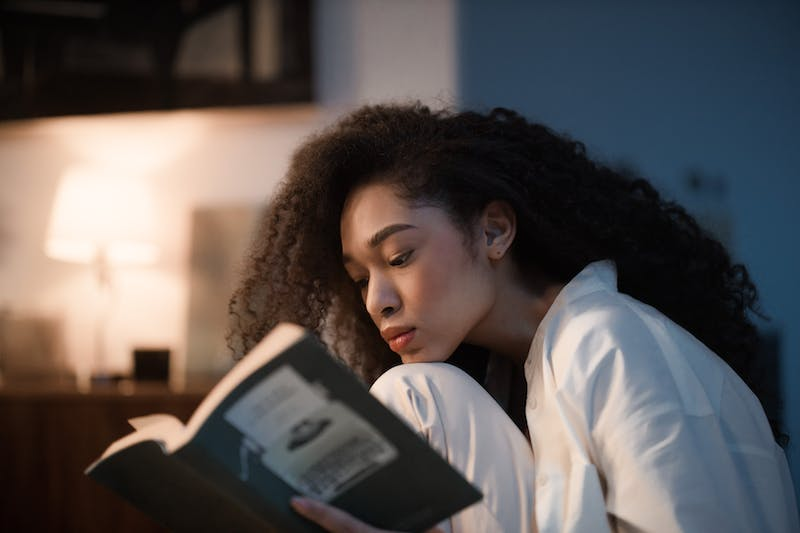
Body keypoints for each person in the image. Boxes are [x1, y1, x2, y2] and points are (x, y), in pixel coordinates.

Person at [227, 104, 799, 532]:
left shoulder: (613, 342)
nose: (377, 300)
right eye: (360, 278)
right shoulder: (503, 382)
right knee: (417, 392)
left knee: (416, 392)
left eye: (399, 257)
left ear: (494, 230)